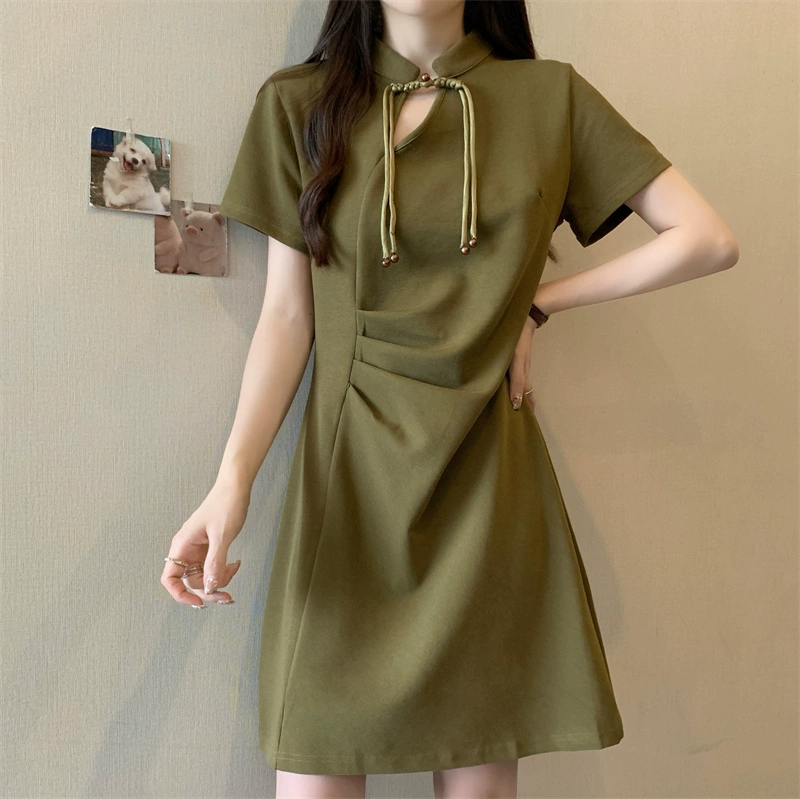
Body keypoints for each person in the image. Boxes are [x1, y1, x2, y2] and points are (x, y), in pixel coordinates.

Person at [161, 1, 739, 797]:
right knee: (313, 767)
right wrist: (232, 482)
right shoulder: (299, 102)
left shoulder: (550, 98)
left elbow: (707, 238)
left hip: (487, 484)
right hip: (347, 489)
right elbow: (289, 315)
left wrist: (541, 303)